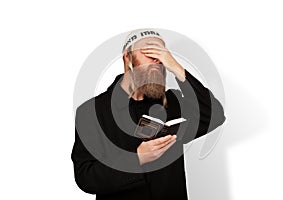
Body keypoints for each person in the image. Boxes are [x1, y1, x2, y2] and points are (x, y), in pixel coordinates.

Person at [71, 29, 226, 200]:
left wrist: (176, 68)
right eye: (149, 51)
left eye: (162, 54)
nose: (157, 60)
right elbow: (85, 177)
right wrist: (137, 159)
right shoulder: (91, 111)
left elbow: (215, 115)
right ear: (127, 58)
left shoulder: (173, 103)